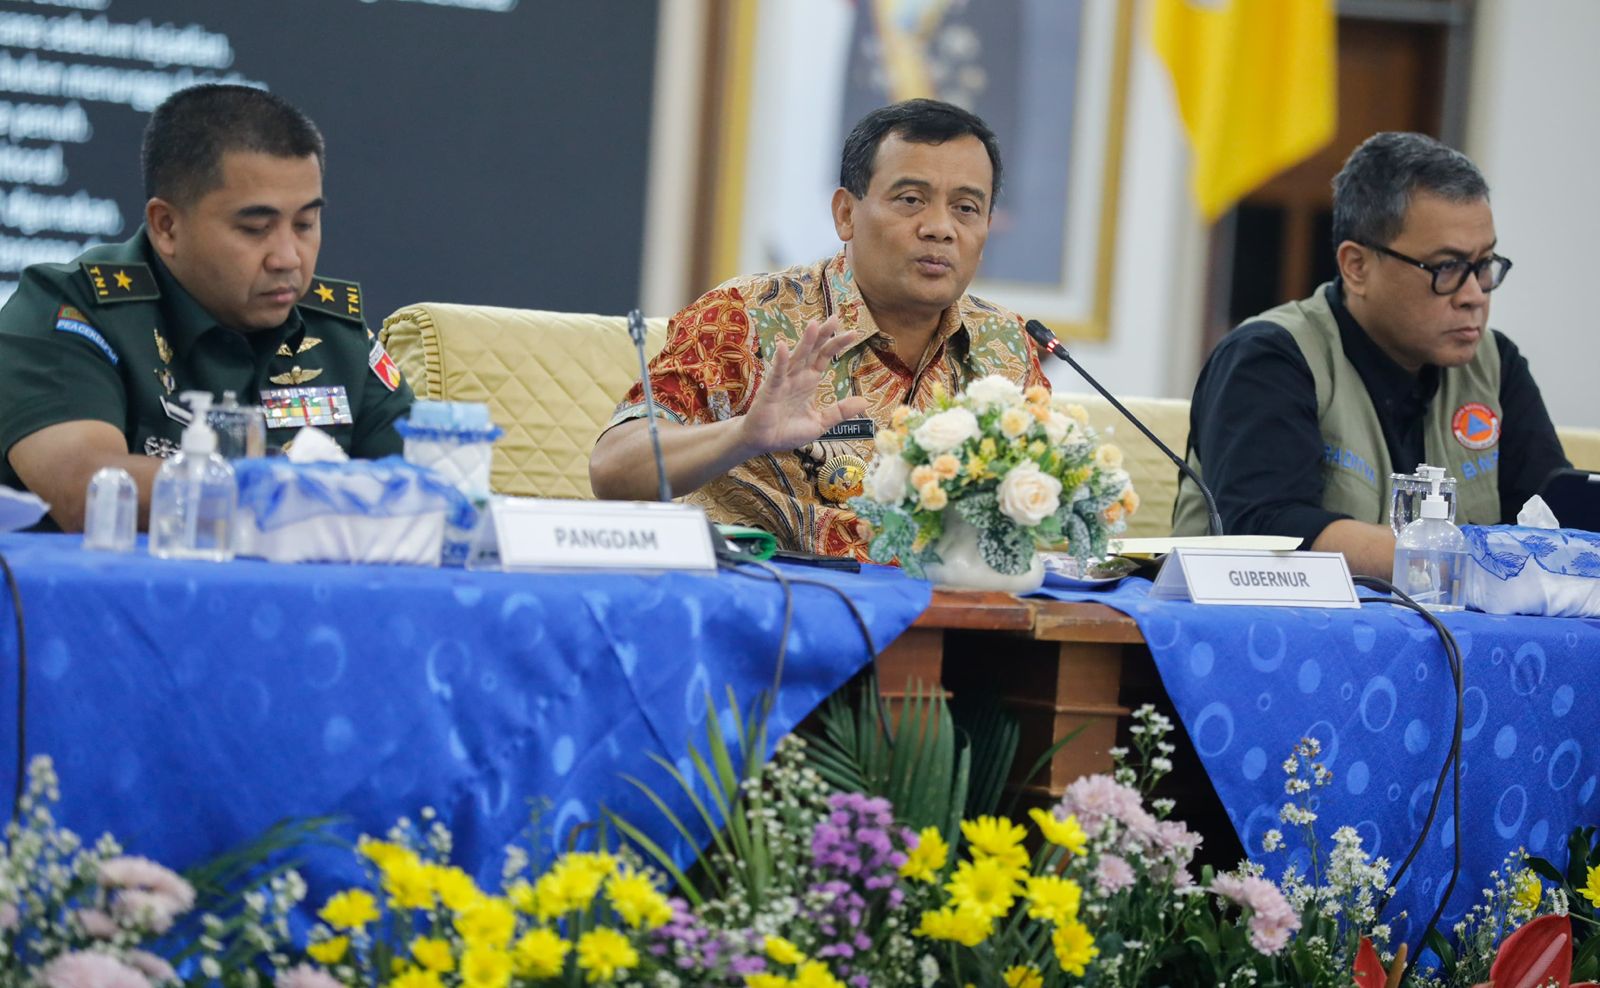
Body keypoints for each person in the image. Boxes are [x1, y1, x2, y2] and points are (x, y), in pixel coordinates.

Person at [589, 98, 1049, 558]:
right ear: (845, 214)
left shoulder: (1006, 345)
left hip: (954, 618)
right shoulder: (747, 317)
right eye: (911, 200)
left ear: (987, 229)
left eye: (966, 208)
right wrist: (743, 435)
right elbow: (612, 470)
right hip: (775, 608)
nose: (939, 228)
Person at [0, 84, 413, 533]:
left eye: (305, 224)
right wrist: (286, 492)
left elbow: (429, 492)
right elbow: (91, 493)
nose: (289, 258)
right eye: (256, 228)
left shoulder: (335, 334)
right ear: (167, 226)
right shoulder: (71, 309)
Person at [1173, 132, 1568, 575]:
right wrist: (1465, 559)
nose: (1474, 294)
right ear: (1356, 267)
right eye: (1448, 268)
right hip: (1276, 635)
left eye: (1484, 266)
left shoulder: (1495, 366)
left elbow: (1557, 520)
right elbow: (1265, 529)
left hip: (1456, 640)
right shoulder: (1269, 357)